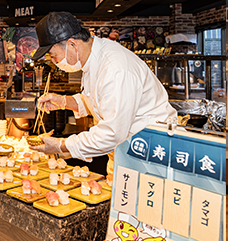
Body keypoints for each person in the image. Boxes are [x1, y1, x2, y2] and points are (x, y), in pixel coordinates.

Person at [30, 12, 177, 175]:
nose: (55, 62)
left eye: (53, 56)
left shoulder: (114, 68)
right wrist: (64, 101)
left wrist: (60, 145)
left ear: (73, 44)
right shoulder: (94, 59)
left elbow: (112, 134)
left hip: (149, 159)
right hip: (126, 155)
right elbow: (98, 100)